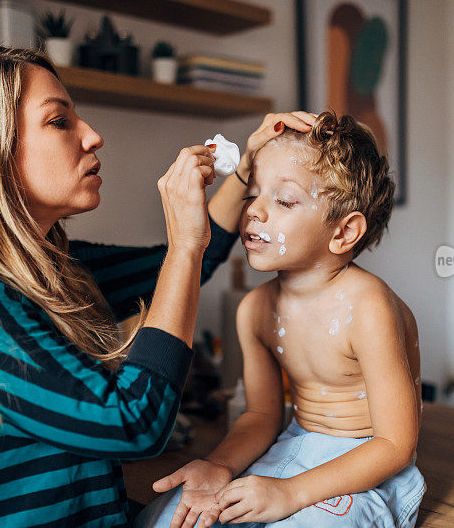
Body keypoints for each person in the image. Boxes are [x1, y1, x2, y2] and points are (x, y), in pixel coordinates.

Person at [0, 44, 316, 527]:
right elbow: (134, 421)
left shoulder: (48, 271)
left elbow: (184, 269)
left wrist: (245, 168)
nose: (94, 137)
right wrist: (183, 245)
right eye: (60, 121)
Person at [136, 111, 426, 528]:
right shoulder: (254, 309)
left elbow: (396, 444)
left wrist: (289, 494)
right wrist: (218, 466)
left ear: (343, 233)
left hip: (365, 470)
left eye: (284, 200)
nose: (254, 210)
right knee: (171, 517)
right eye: (253, 194)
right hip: (290, 449)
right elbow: (262, 417)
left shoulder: (368, 307)